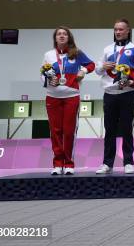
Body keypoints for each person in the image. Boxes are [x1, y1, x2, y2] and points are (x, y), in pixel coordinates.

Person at [95, 19, 134, 174]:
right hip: (109, 93)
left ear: (128, 30)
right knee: (109, 129)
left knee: (126, 129)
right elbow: (97, 70)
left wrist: (131, 81)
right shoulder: (107, 49)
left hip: (126, 93)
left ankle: (128, 162)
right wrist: (103, 67)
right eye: (116, 29)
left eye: (121, 29)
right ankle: (107, 163)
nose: (118, 32)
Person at [42, 26, 95, 175]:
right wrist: (47, 82)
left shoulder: (76, 53)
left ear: (69, 37)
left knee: (69, 131)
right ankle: (58, 164)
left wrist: (83, 71)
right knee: (55, 131)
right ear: (55, 38)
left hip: (72, 96)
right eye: (59, 34)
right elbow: (42, 73)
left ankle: (69, 164)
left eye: (64, 34)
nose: (62, 36)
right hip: (53, 97)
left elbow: (91, 65)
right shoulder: (48, 55)